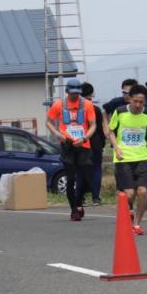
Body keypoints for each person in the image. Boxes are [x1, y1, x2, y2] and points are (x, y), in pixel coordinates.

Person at [106, 84, 147, 235]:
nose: (138, 105)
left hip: (142, 156)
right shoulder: (120, 112)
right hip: (123, 157)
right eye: (135, 101)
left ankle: (136, 224)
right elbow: (110, 131)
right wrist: (116, 147)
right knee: (129, 193)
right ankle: (127, 210)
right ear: (130, 99)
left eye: (141, 102)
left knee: (142, 192)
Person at [45, 77, 96, 221]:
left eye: (77, 92)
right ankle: (74, 209)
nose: (75, 95)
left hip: (83, 144)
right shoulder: (59, 105)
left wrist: (85, 138)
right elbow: (48, 121)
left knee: (88, 177)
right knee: (71, 178)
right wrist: (57, 134)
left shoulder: (87, 105)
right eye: (72, 92)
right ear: (67, 91)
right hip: (67, 144)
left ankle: (79, 200)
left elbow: (93, 125)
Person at [78, 83, 106, 206]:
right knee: (96, 170)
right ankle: (96, 198)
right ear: (91, 94)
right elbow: (100, 129)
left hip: (80, 143)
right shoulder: (96, 109)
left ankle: (81, 197)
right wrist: (103, 143)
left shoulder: (76, 109)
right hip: (95, 143)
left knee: (80, 170)